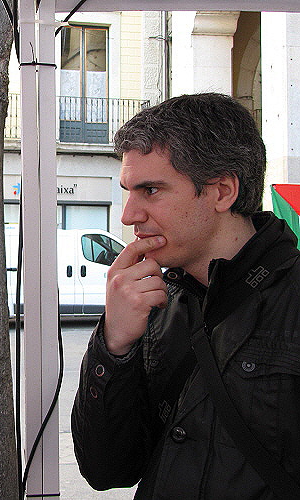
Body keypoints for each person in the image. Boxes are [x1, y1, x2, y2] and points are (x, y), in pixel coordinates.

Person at [71, 93, 300, 499]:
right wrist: (114, 346)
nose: (128, 215)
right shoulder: (155, 303)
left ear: (223, 191)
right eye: (129, 191)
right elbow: (107, 470)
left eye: (151, 190)